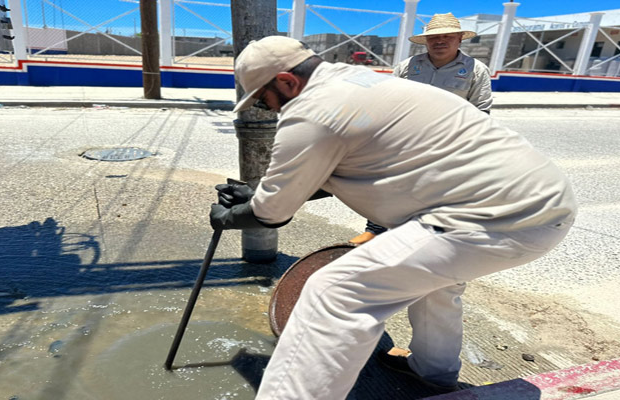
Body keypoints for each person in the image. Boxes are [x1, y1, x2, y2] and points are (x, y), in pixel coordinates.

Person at [210, 35, 576, 398]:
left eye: (262, 99)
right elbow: (347, 168)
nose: (267, 109)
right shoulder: (362, 81)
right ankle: (433, 375)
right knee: (435, 283)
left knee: (335, 291)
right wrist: (259, 192)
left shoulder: (310, 111)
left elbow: (273, 213)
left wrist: (231, 215)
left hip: (489, 215)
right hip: (542, 201)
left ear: (287, 82)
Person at [351, 12, 493, 245]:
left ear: (459, 39)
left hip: (450, 143)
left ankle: (430, 238)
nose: (440, 41)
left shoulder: (475, 70)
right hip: (406, 140)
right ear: (426, 41)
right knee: (386, 185)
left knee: (438, 191)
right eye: (433, 37)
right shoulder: (408, 67)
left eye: (447, 36)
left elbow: (482, 111)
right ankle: (375, 229)